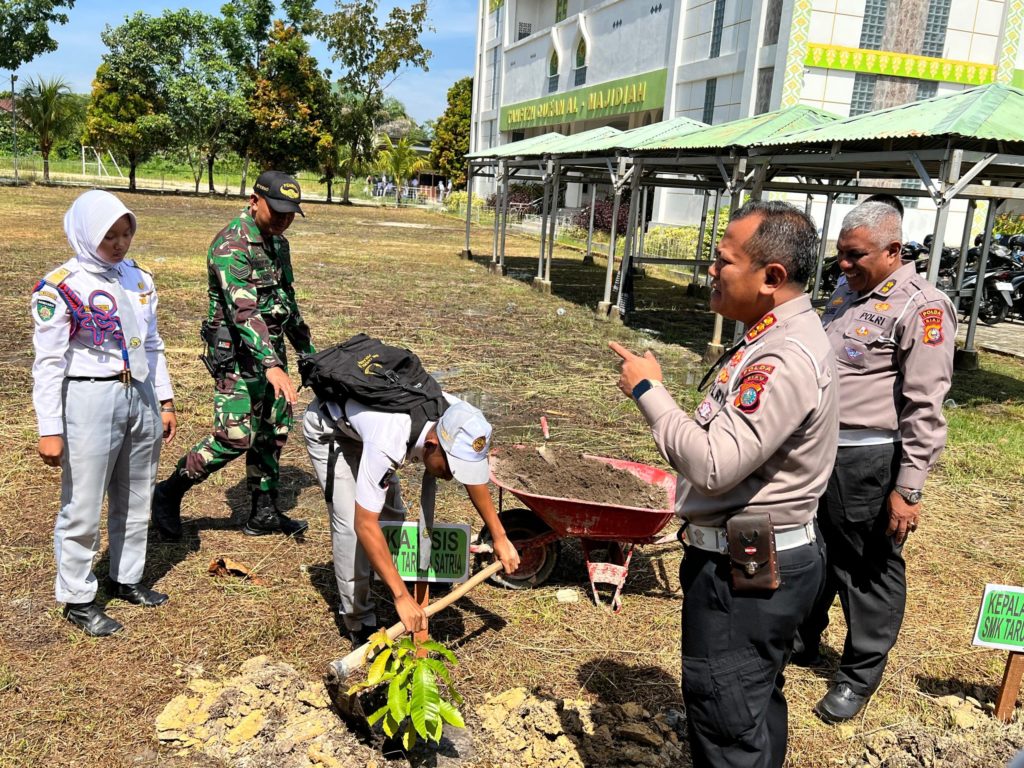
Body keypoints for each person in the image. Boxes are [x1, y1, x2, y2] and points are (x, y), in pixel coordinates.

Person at [610, 200, 838, 768]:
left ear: (771, 277)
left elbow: (714, 463)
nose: (710, 271)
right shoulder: (776, 336)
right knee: (752, 702)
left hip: (746, 573)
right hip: (757, 558)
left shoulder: (783, 355)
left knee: (726, 718)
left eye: (723, 261)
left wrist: (648, 391)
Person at [794, 200, 956, 723]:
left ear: (893, 251)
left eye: (854, 255)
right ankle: (804, 638)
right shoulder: (847, 293)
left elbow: (925, 406)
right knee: (815, 549)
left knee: (867, 568)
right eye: (841, 254)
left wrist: (908, 488)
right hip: (819, 449)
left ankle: (858, 675)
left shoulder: (923, 309)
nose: (843, 265)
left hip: (867, 460)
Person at [32, 190, 176, 636]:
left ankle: (126, 575)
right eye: (108, 235)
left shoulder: (138, 279)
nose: (119, 244)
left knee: (137, 491)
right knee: (83, 500)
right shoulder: (61, 287)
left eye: (125, 233)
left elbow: (152, 343)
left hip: (140, 392)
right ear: (85, 233)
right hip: (89, 397)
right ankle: (78, 596)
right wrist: (50, 428)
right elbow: (48, 363)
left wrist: (165, 400)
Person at [151, 171, 314, 541]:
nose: (284, 219)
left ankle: (264, 511)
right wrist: (271, 364)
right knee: (234, 437)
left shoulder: (278, 243)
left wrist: (307, 353)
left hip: (270, 353)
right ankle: (169, 491)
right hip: (238, 357)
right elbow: (244, 312)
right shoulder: (231, 245)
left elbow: (286, 302)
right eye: (277, 211)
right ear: (254, 201)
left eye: (290, 213)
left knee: (272, 431)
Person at [302, 393, 520, 647]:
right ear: (431, 444)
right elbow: (365, 524)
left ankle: (399, 574)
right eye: (451, 467)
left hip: (371, 431)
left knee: (392, 515)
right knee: (352, 527)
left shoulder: (462, 418)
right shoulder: (389, 440)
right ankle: (359, 619)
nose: (452, 477)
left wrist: (500, 536)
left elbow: (473, 479)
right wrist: (401, 597)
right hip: (333, 431)